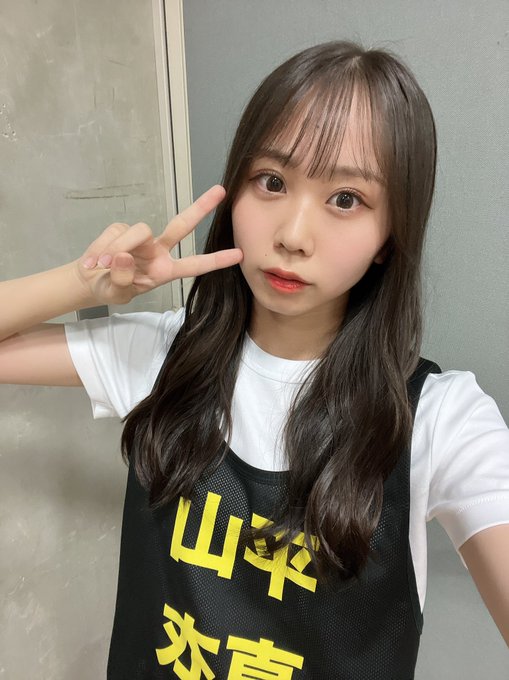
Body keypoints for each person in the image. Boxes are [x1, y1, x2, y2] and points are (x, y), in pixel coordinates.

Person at [0, 41, 508, 679]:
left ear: (389, 237)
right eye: (272, 182)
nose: (292, 235)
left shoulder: (438, 419)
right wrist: (85, 283)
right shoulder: (163, 356)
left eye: (346, 198)